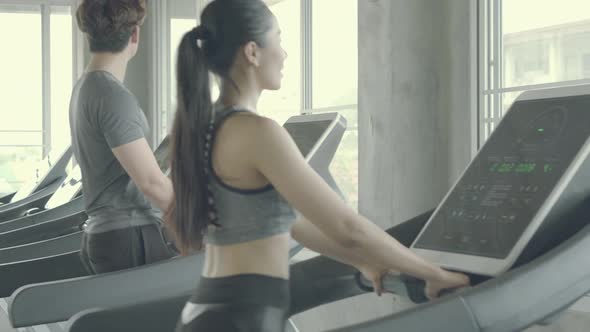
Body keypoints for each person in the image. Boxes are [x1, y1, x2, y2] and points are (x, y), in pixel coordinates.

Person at [168, 0, 470, 330]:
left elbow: (291, 224)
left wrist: (362, 261)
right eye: (278, 40)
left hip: (210, 308)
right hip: (242, 316)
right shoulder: (257, 132)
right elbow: (348, 228)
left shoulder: (204, 127)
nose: (284, 54)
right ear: (252, 52)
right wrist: (434, 274)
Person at [70, 0, 175, 274]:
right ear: (135, 34)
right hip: (129, 235)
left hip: (110, 234)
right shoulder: (111, 94)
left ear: (89, 33)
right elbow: (152, 183)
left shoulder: (86, 87)